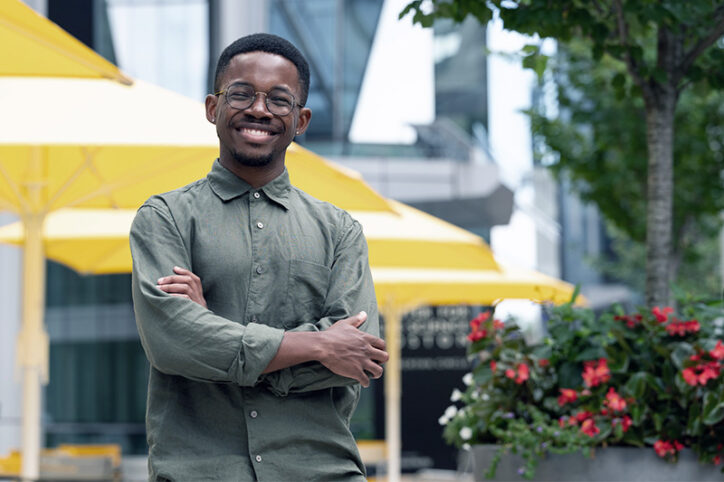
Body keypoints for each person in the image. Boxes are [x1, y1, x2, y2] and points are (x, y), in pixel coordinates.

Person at [130, 33, 388, 482]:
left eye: (279, 100)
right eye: (242, 94)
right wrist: (321, 345)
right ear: (213, 108)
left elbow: (361, 358)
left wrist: (215, 336)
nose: (259, 110)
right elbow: (172, 343)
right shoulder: (165, 218)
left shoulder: (340, 231)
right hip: (200, 471)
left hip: (321, 471)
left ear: (301, 119)